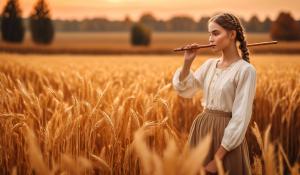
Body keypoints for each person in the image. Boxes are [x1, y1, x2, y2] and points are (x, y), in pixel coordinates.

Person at [172, 12, 257, 175]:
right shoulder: (210, 65)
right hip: (202, 131)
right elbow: (185, 89)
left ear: (232, 35)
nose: (210, 39)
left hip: (226, 139)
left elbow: (240, 118)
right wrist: (187, 63)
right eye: (209, 33)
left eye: (215, 33)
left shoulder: (246, 70)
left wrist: (217, 159)